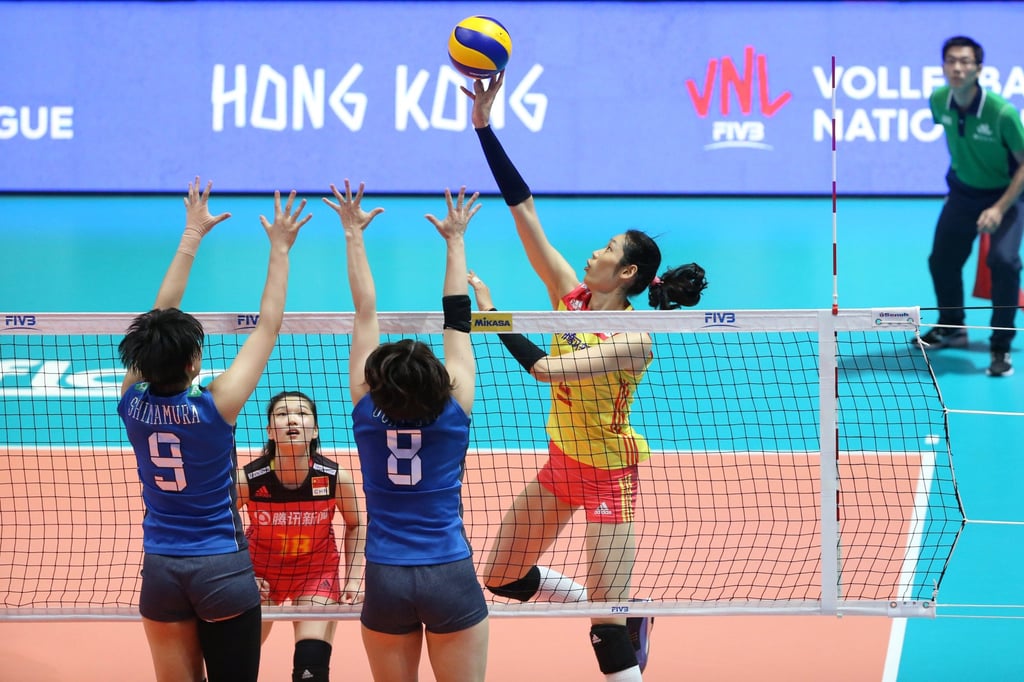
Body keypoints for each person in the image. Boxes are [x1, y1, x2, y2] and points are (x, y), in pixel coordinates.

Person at [462, 72, 708, 681]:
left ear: (625, 273)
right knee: (500, 578)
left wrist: (488, 317)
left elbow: (545, 369)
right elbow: (526, 215)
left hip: (606, 478)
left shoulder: (633, 341)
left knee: (603, 636)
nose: (594, 252)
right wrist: (485, 129)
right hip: (560, 467)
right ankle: (624, 616)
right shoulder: (568, 299)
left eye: (606, 247)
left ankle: (616, 624)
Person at [117, 178, 310, 682]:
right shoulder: (216, 404)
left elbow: (156, 320)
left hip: (160, 571)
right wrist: (281, 248)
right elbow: (268, 324)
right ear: (196, 361)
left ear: (140, 360)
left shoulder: (131, 403)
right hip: (220, 568)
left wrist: (190, 237)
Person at [323, 179, 489, 682]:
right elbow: (457, 321)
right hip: (449, 572)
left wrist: (353, 233)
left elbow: (365, 312)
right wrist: (455, 239)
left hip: (386, 576)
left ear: (376, 380)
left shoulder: (366, 409)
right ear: (440, 379)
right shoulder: (454, 406)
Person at [238, 390, 366, 682]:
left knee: (311, 667)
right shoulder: (248, 479)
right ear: (270, 431)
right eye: (282, 414)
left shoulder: (335, 477)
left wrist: (355, 579)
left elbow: (356, 524)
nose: (292, 419)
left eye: (302, 413)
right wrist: (239, 574)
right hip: (259, 573)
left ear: (315, 429)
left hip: (315, 571)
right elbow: (220, 525)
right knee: (236, 661)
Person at [918, 35, 1024, 377]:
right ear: (943, 65)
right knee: (942, 260)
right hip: (964, 193)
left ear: (979, 68)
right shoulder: (938, 100)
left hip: (1007, 194)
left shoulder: (1002, 113)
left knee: (1004, 261)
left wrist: (999, 207)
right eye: (951, 60)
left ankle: (1000, 345)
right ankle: (952, 327)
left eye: (965, 61)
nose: (957, 67)